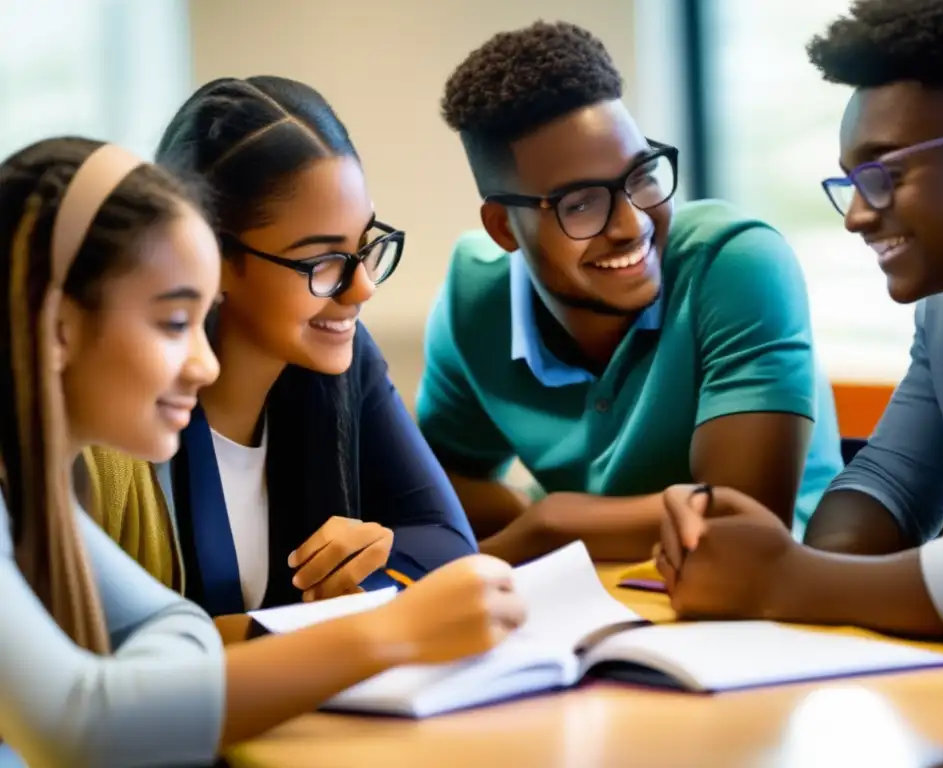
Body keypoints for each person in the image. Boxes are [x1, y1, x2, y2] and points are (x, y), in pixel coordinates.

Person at [0, 138, 525, 767]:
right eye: (173, 324)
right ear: (59, 325)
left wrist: (141, 684)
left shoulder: (44, 484)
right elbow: (86, 727)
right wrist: (389, 633)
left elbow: (175, 630)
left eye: (202, 322)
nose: (205, 363)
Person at [655, 0, 943, 647]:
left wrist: (780, 578)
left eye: (884, 175)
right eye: (851, 181)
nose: (855, 215)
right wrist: (786, 557)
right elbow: (889, 481)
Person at [416, 20, 844, 565]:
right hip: (592, 600)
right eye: (581, 203)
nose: (632, 223)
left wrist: (552, 527)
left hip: (769, 610)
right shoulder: (473, 298)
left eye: (642, 175)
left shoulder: (736, 262)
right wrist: (540, 520)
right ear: (503, 228)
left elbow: (741, 523)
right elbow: (436, 486)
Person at [85, 76, 479, 635]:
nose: (361, 287)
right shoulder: (118, 427)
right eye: (322, 261)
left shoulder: (338, 359)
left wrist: (373, 565)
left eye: (366, 245)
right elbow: (110, 647)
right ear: (209, 255)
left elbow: (448, 542)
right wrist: (345, 628)